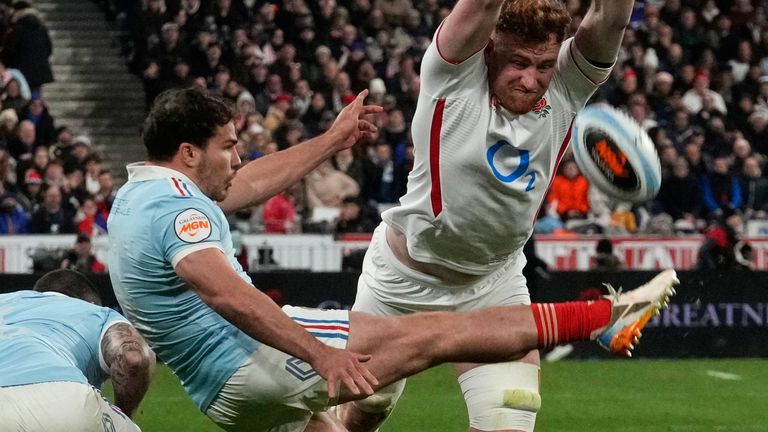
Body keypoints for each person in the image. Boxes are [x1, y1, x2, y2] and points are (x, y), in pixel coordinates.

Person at [108, 88, 679, 432]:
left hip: (222, 398)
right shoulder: (180, 209)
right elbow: (226, 294)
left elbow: (245, 184)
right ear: (189, 153)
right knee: (441, 332)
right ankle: (605, 318)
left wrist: (331, 141)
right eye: (229, 145)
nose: (239, 156)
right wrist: (321, 356)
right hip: (255, 363)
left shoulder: (136, 197)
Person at [343, 0, 640, 431]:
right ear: (489, 49)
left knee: (511, 415)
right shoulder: (453, 73)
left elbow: (611, 16)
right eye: (518, 62)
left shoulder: (567, 84)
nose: (530, 79)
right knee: (363, 413)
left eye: (542, 65)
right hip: (401, 284)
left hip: (493, 284)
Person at [0, 269, 155, 431]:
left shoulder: (5, 300)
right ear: (91, 302)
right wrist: (124, 415)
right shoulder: (96, 312)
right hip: (58, 400)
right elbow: (133, 358)